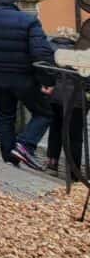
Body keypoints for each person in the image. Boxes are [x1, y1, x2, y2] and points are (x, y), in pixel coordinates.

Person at [0, 0, 54, 170]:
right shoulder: (29, 21)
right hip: (23, 76)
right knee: (44, 113)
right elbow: (41, 52)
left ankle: (10, 158)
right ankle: (25, 144)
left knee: (5, 117)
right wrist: (48, 80)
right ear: (16, 2)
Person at [45, 30, 86, 178]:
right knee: (74, 135)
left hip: (55, 97)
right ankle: (73, 171)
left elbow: (47, 72)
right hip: (76, 100)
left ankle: (52, 163)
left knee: (55, 129)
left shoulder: (50, 48)